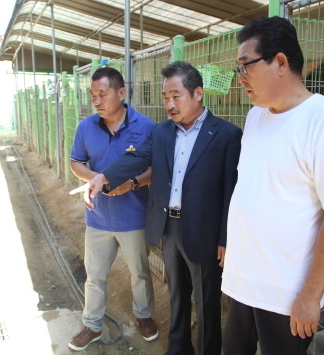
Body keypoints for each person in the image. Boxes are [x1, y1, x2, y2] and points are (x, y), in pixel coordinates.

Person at [71, 61, 242, 355]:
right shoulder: (162, 132)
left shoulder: (226, 134)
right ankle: (178, 349)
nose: (169, 104)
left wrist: (225, 238)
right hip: (169, 228)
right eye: (165, 97)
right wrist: (102, 177)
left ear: (198, 93)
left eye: (176, 96)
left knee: (206, 302)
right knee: (177, 295)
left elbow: (231, 192)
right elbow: (136, 160)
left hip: (205, 231)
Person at [221, 16, 324, 354]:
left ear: (280, 62)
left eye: (246, 67)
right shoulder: (256, 116)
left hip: (285, 296)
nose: (241, 79)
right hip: (243, 284)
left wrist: (310, 297)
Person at [68, 66, 158, 351]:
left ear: (122, 93)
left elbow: (156, 168)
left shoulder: (146, 127)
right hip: (98, 216)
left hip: (134, 217)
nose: (96, 100)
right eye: (93, 95)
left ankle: (144, 316)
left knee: (140, 273)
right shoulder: (85, 127)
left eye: (102, 94)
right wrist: (95, 179)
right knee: (94, 275)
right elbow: (75, 162)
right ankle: (92, 324)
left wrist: (132, 183)